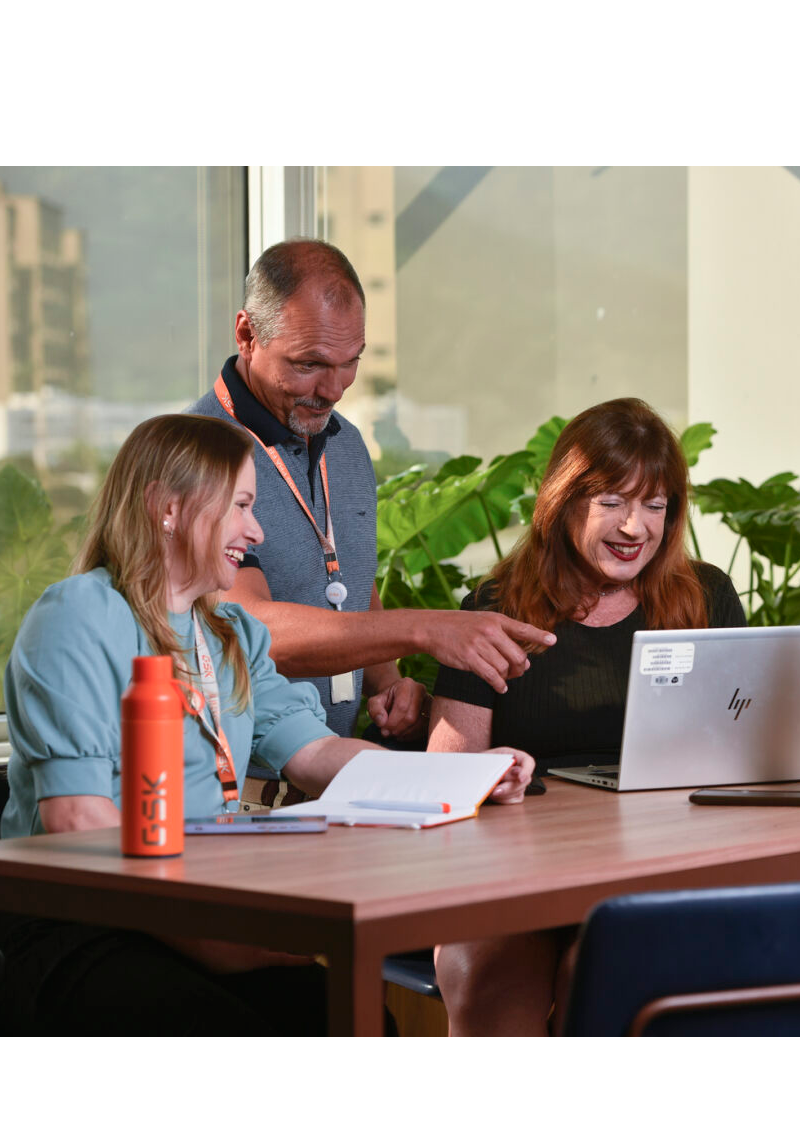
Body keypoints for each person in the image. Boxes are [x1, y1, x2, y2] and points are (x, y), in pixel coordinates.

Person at [0, 412, 534, 1035]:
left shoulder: (231, 636)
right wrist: (213, 946)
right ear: (167, 508)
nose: (254, 532)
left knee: (354, 1026)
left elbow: (319, 754)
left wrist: (462, 777)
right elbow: (78, 826)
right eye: (241, 506)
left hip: (196, 908)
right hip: (81, 920)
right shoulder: (79, 616)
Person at [427, 396, 747, 1036]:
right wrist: (487, 773)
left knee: (608, 973)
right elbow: (448, 769)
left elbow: (743, 752)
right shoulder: (497, 605)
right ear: (563, 501)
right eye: (613, 503)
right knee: (489, 979)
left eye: (654, 506)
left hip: (658, 869)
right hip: (518, 876)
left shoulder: (703, 595)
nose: (636, 527)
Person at [186, 238, 555, 752]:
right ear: (247, 334)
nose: (335, 389)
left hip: (328, 774)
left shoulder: (346, 444)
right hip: (237, 791)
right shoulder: (195, 453)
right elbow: (250, 629)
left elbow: (347, 577)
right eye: (310, 364)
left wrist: (387, 680)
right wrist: (424, 630)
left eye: (350, 361)